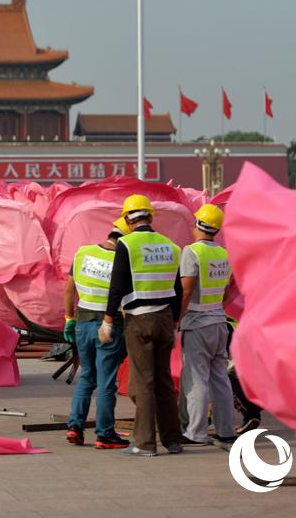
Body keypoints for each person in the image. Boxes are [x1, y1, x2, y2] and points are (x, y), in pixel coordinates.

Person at [101, 194, 183, 457]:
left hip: (139, 320)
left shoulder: (126, 244)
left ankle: (145, 443)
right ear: (150, 215)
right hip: (165, 319)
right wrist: (175, 320)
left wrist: (108, 319)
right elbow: (178, 289)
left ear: (127, 218)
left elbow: (118, 285)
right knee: (164, 383)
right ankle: (173, 440)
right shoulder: (171, 246)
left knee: (144, 383)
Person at [63, 225, 129, 449]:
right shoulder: (123, 260)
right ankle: (104, 434)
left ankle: (75, 427)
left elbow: (69, 289)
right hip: (109, 326)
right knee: (106, 381)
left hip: (82, 322)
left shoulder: (84, 252)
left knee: (87, 376)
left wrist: (69, 318)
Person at [177, 204, 237, 446]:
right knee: (220, 378)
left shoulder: (191, 252)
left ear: (199, 225)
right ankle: (226, 430)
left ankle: (195, 432)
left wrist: (176, 319)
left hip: (197, 323)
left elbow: (187, 290)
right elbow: (225, 293)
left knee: (196, 377)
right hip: (219, 322)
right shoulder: (223, 254)